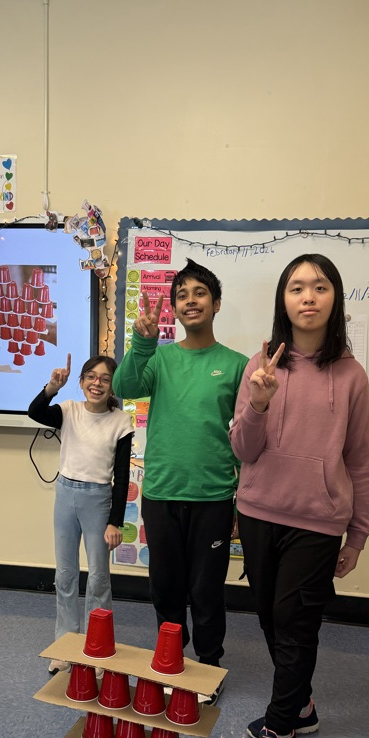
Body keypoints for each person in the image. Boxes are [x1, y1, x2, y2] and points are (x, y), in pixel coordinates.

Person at [230, 254, 369, 738]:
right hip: (260, 511)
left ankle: (282, 731)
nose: (308, 297)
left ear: (335, 298)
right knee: (269, 616)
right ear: (283, 300)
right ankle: (302, 707)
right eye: (296, 288)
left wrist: (357, 534)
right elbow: (243, 450)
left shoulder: (352, 376)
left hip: (318, 520)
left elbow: (358, 458)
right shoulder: (261, 364)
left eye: (319, 287)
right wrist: (259, 405)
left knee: (294, 624)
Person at [113, 259, 248, 702]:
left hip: (212, 495)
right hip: (161, 491)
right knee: (165, 586)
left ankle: (207, 666)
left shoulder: (236, 365)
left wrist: (241, 500)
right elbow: (126, 386)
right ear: (173, 308)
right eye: (182, 295)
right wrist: (142, 342)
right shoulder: (161, 357)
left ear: (216, 303)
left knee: (206, 588)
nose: (190, 301)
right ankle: (171, 656)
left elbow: (251, 436)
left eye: (200, 293)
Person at [28, 354, 133, 674]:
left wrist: (115, 520)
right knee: (66, 575)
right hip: (66, 494)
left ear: (113, 386)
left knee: (99, 578)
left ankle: (98, 645)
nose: (96, 384)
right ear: (81, 381)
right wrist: (51, 388)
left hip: (98, 500)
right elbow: (35, 413)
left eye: (104, 379)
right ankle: (65, 645)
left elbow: (122, 476)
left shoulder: (121, 422)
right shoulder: (68, 410)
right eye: (90, 376)